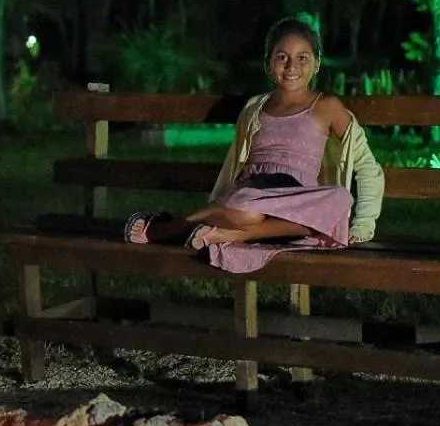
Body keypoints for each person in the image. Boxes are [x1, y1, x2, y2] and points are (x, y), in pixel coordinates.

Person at [124, 18, 384, 274]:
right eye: (282, 57)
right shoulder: (256, 107)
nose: (292, 66)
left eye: (302, 58)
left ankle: (229, 235)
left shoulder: (327, 107)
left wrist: (362, 225)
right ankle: (170, 227)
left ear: (316, 63)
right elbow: (236, 163)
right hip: (254, 190)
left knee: (340, 198)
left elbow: (368, 166)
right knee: (247, 207)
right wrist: (234, 198)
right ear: (269, 64)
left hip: (294, 204)